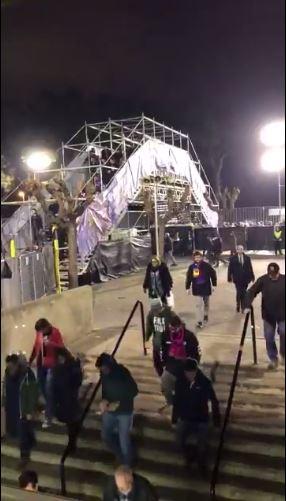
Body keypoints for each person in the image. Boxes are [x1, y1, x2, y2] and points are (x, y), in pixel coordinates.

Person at [173, 358, 220, 476]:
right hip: (186, 418)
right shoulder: (180, 382)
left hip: (201, 419)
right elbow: (177, 400)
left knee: (202, 444)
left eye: (191, 373)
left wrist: (216, 420)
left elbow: (214, 401)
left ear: (195, 371)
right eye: (186, 373)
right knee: (178, 440)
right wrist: (174, 418)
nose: (188, 376)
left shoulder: (204, 382)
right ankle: (189, 457)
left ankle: (201, 463)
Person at [96, 353, 138, 466]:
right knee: (105, 435)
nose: (103, 372)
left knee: (124, 440)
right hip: (109, 411)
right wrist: (104, 400)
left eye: (104, 369)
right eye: (101, 370)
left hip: (124, 412)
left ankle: (126, 466)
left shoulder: (123, 373)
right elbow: (105, 388)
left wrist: (118, 403)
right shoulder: (104, 374)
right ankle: (120, 455)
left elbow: (134, 391)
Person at [244, 262, 285, 370]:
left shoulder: (284, 280)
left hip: (283, 315)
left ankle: (284, 355)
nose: (272, 276)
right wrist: (247, 305)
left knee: (284, 333)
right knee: (269, 337)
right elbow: (251, 292)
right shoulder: (263, 280)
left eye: (274, 274)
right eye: (270, 274)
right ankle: (273, 359)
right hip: (268, 315)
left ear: (278, 272)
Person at [3, 354, 39, 468]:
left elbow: (33, 392)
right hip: (13, 409)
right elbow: (6, 389)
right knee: (23, 431)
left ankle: (24, 457)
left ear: (16, 365)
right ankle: (31, 440)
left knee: (23, 433)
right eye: (8, 367)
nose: (10, 369)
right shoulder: (8, 374)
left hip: (24, 409)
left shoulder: (27, 375)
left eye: (12, 366)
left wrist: (31, 409)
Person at [29, 318, 65, 429]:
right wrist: (30, 361)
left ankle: (48, 418)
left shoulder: (55, 332)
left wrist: (51, 344)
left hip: (52, 365)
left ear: (47, 327)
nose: (40, 333)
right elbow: (36, 347)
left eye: (41, 330)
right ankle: (52, 408)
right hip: (41, 365)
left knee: (49, 390)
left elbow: (61, 347)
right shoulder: (40, 334)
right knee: (43, 389)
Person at [161, 315, 201, 411]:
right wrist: (164, 363)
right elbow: (163, 349)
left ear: (180, 326)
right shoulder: (166, 334)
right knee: (165, 385)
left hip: (186, 366)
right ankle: (171, 402)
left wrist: (191, 366)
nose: (173, 330)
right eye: (171, 328)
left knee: (187, 390)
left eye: (175, 328)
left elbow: (197, 354)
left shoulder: (189, 336)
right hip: (171, 366)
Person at [52, 347, 83, 453]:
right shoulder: (58, 367)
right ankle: (72, 442)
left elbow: (77, 381)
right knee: (70, 422)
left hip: (70, 398)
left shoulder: (71, 366)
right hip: (63, 399)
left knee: (72, 422)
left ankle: (72, 444)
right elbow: (54, 384)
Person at [185, 251, 217, 329]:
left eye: (199, 257)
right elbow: (189, 277)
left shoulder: (207, 266)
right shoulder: (192, 267)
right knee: (198, 305)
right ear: (194, 258)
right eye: (196, 257)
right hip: (197, 288)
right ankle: (199, 321)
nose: (197, 259)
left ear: (201, 257)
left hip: (206, 287)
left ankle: (205, 315)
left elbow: (213, 274)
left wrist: (214, 285)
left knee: (206, 303)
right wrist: (187, 287)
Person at [145, 299, 174, 377]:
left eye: (156, 311)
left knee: (168, 362)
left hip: (168, 343)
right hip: (157, 342)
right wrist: (146, 338)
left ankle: (168, 379)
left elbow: (178, 325)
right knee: (157, 362)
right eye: (153, 311)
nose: (155, 313)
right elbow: (149, 327)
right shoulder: (151, 314)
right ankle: (162, 377)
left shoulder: (169, 314)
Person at [228, 245, 255, 312]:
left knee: (244, 292)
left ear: (243, 250)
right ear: (237, 250)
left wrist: (252, 276)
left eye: (241, 249)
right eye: (239, 249)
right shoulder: (232, 258)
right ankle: (238, 304)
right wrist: (229, 277)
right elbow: (230, 269)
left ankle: (243, 306)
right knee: (239, 292)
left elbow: (250, 268)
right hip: (237, 278)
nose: (240, 250)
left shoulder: (247, 258)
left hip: (246, 278)